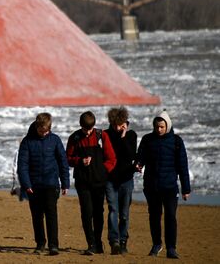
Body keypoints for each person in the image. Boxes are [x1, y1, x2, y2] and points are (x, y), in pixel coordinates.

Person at [136, 110, 191, 259]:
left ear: (167, 125)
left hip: (170, 187)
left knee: (170, 217)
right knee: (154, 216)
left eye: (161, 127)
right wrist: (138, 165)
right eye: (156, 127)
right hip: (152, 186)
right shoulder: (147, 140)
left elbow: (182, 166)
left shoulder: (176, 141)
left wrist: (186, 188)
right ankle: (156, 244)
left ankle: (171, 248)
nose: (159, 129)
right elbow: (140, 157)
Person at [17, 112, 70, 256]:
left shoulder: (55, 140)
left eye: (47, 130)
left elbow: (63, 162)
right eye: (41, 130)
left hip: (51, 184)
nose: (44, 132)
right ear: (36, 126)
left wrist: (65, 183)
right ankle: (40, 244)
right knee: (37, 216)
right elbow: (22, 165)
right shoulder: (27, 141)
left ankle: (53, 245)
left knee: (52, 215)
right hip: (33, 186)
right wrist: (26, 184)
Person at [66, 111, 116, 255]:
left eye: (90, 129)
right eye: (85, 129)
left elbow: (112, 159)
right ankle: (91, 244)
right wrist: (79, 161)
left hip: (99, 182)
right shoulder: (75, 137)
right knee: (86, 213)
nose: (87, 132)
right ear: (80, 125)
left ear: (93, 126)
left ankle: (98, 242)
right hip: (82, 182)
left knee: (98, 213)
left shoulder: (101, 136)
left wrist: (102, 170)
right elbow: (68, 158)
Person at [104, 107, 137, 255]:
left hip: (126, 179)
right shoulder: (105, 135)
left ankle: (123, 240)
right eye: (114, 125)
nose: (117, 127)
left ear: (125, 123)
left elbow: (130, 155)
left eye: (120, 124)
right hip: (110, 179)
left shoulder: (131, 135)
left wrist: (123, 136)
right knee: (113, 210)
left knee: (124, 214)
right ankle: (114, 241)